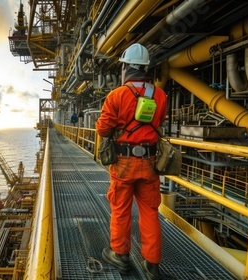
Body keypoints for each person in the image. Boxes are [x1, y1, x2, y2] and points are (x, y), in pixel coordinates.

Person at [96, 43, 167, 279]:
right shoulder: (160, 95)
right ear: (146, 69)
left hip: (123, 164)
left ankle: (120, 255)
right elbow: (159, 122)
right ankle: (152, 264)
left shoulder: (116, 95)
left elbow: (103, 129)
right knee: (150, 211)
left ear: (125, 67)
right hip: (150, 163)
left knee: (121, 209)